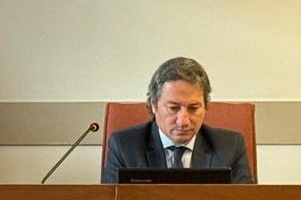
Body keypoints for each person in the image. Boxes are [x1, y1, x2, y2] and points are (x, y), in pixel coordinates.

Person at [101, 56, 253, 184]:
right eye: (173, 108)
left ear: (206, 106)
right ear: (154, 105)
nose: (183, 121)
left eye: (193, 108)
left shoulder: (230, 147)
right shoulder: (124, 147)